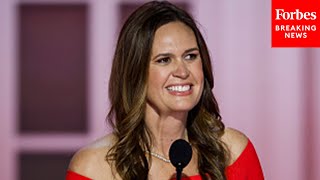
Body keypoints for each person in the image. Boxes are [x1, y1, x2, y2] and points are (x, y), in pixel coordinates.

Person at [66, 1, 264, 180]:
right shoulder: (93, 168)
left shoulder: (232, 152)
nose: (182, 71)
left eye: (190, 56)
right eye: (164, 60)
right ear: (135, 73)